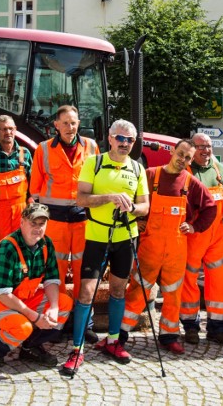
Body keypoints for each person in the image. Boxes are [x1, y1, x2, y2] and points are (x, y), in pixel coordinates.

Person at [60, 119, 149, 375]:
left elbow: (145, 206)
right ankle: (77, 350)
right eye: (120, 138)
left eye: (129, 140)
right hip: (97, 237)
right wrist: (110, 197)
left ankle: (112, 341)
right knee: (86, 293)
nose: (124, 143)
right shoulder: (94, 162)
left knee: (119, 290)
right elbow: (81, 199)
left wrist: (131, 207)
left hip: (126, 237)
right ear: (109, 138)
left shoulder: (137, 168)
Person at [119, 139, 217, 355]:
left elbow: (211, 208)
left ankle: (169, 336)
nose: (183, 159)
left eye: (188, 157)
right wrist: (136, 221)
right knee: (137, 290)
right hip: (150, 246)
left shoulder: (191, 183)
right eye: (181, 154)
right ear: (173, 151)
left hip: (176, 247)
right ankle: (120, 335)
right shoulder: (150, 175)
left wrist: (194, 227)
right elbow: (132, 200)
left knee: (173, 294)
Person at [29, 105, 99, 342]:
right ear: (56, 125)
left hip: (82, 220)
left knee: (84, 273)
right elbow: (35, 189)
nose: (70, 128)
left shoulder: (91, 147)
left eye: (74, 122)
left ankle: (83, 323)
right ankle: (56, 323)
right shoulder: (43, 149)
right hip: (56, 222)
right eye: (66, 123)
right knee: (55, 275)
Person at [0, 203, 73, 367]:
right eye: (32, 223)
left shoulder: (46, 244)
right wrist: (35, 317)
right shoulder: (6, 249)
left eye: (41, 224)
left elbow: (51, 280)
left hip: (23, 297)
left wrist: (54, 308)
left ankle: (30, 347)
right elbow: (3, 294)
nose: (37, 228)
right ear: (22, 223)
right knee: (22, 327)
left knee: (65, 303)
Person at [179, 133, 223, 349]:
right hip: (194, 234)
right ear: (192, 149)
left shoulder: (217, 167)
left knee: (218, 281)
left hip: (216, 236)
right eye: (201, 146)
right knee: (189, 281)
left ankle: (217, 328)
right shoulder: (185, 170)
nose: (206, 150)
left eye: (209, 146)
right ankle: (190, 327)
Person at [0, 115, 33, 263]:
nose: (8, 132)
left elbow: (33, 186)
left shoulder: (24, 154)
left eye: (11, 128)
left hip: (21, 213)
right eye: (4, 129)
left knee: (20, 252)